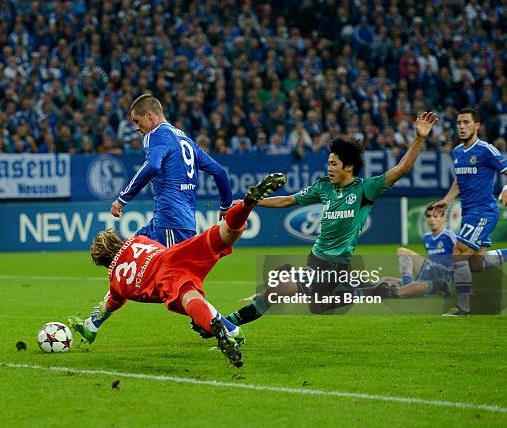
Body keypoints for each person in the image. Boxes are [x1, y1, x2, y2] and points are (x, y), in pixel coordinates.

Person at [222, 112, 438, 325]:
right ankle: (376, 289)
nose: (329, 167)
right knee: (317, 307)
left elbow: (402, 169)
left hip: (334, 267)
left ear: (349, 167)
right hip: (315, 260)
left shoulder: (365, 189)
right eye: (329, 163)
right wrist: (249, 202)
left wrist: (419, 138)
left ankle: (225, 324)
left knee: (277, 290)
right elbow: (288, 200)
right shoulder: (324, 187)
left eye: (334, 164)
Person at [68, 173, 287, 367]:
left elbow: (109, 306)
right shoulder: (138, 240)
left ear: (103, 262)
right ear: (117, 241)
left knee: (190, 298)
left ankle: (215, 326)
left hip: (164, 278)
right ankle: (246, 206)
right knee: (223, 234)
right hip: (174, 255)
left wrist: (90, 325)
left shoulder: (116, 282)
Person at [110, 94, 232, 247]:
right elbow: (219, 171)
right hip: (172, 221)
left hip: (171, 221)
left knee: (169, 270)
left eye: (137, 121)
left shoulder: (154, 135)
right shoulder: (186, 140)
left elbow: (153, 166)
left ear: (149, 115)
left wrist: (122, 198)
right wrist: (225, 205)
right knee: (133, 249)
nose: (136, 128)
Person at [432, 107, 507, 316]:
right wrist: (447, 200)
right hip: (468, 213)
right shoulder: (457, 152)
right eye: (459, 123)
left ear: (477, 125)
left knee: (458, 252)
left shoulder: (487, 150)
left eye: (466, 122)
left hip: (484, 212)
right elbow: (459, 180)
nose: (462, 127)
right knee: (475, 264)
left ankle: (462, 308)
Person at [381, 204, 456, 298]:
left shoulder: (450, 236)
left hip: (443, 277)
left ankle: (404, 290)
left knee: (418, 286)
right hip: (430, 271)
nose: (432, 219)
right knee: (386, 279)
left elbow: (462, 261)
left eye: (435, 216)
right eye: (429, 216)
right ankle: (407, 285)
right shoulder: (427, 237)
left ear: (443, 218)